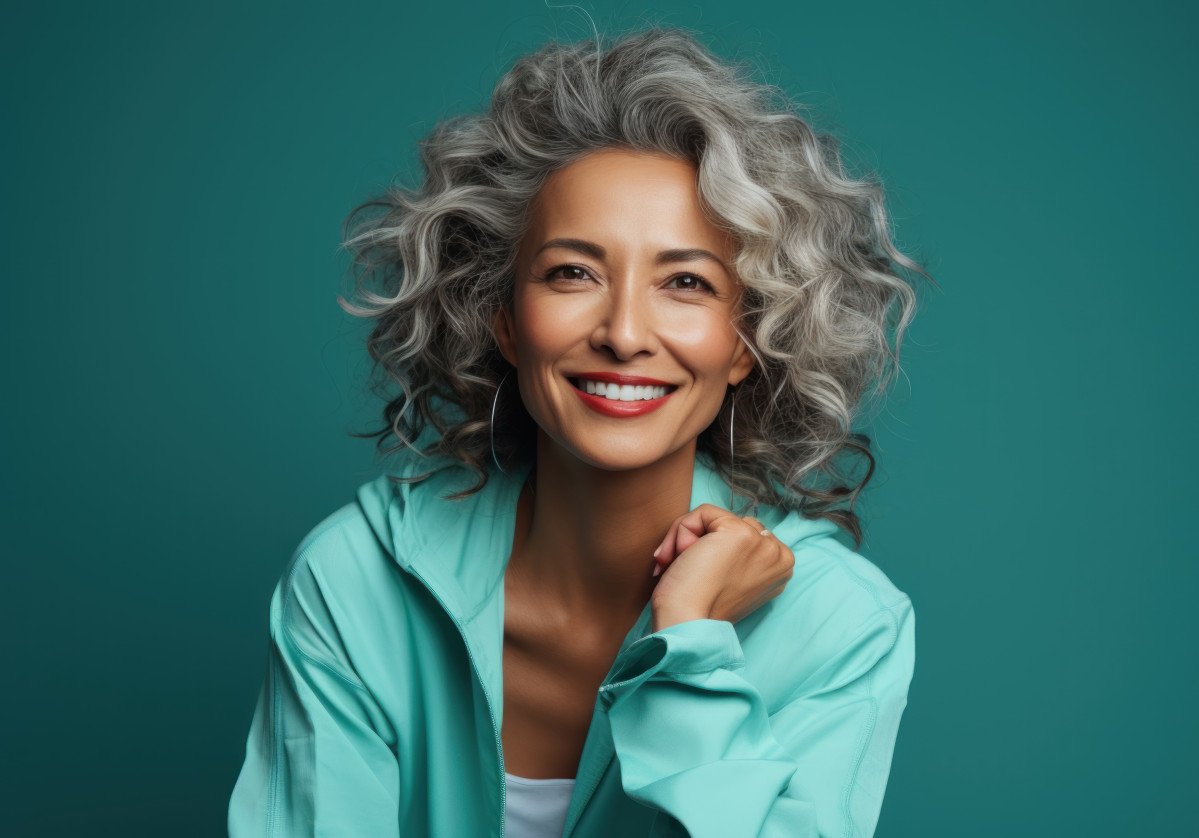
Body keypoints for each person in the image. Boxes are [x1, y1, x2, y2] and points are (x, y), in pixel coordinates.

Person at [228, 26, 931, 838]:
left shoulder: (842, 627)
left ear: (746, 343)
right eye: (573, 273)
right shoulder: (357, 585)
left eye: (688, 283)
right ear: (502, 319)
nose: (626, 332)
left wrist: (692, 643)